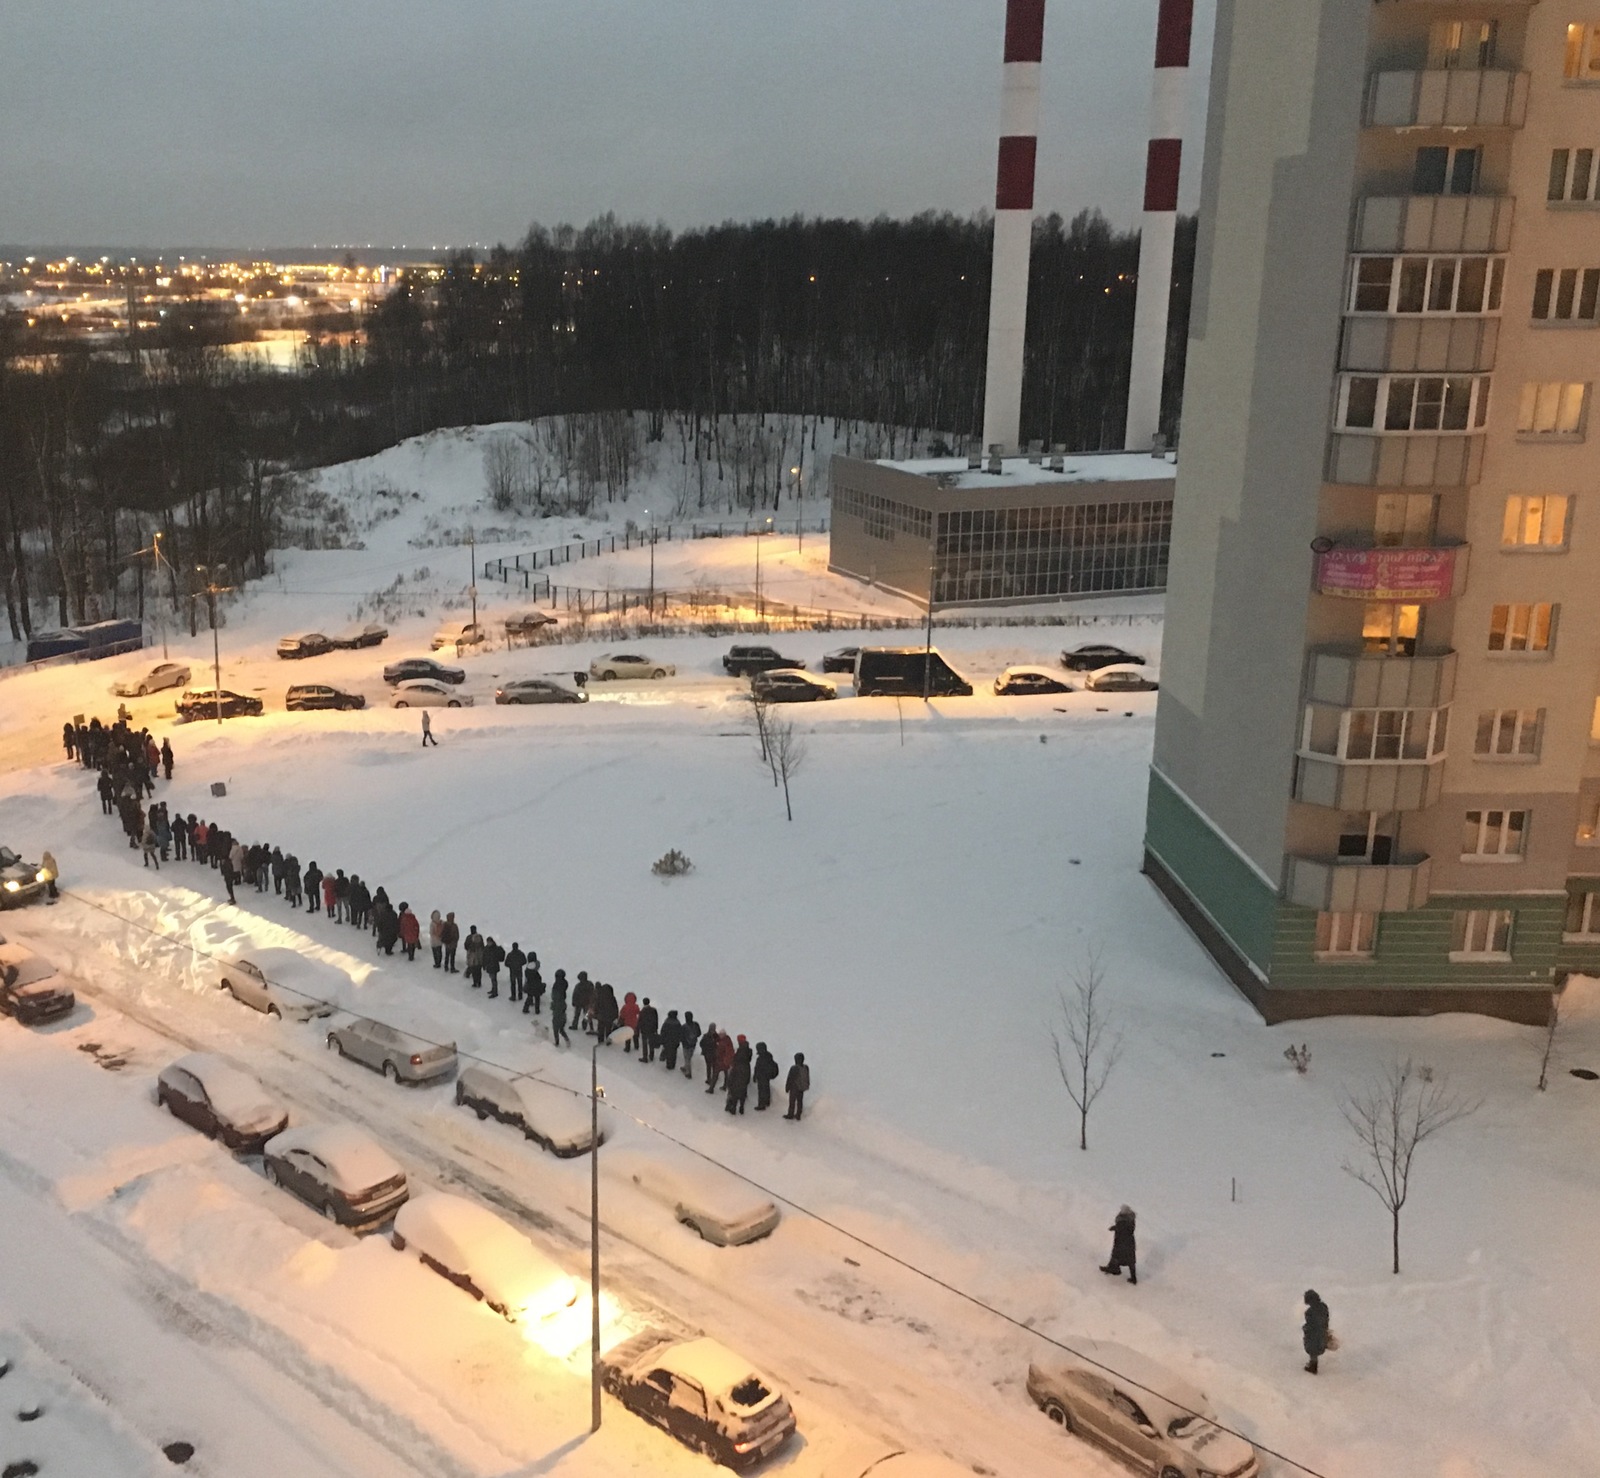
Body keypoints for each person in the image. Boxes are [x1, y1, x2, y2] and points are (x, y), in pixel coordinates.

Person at [1101, 1206, 1137, 1284]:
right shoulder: (1130, 1219)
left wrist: (1115, 1227)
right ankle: (1113, 1268)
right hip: (1125, 1241)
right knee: (1123, 1257)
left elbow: (1124, 1228)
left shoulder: (1127, 1221)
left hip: (1124, 1242)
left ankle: (1131, 1277)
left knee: (1121, 1256)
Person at [1303, 1290, 1331, 1375]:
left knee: (1312, 1348)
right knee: (1316, 1347)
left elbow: (1311, 1323)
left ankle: (1313, 1366)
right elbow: (1326, 1319)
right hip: (1322, 1331)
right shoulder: (1323, 1307)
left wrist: (1306, 1329)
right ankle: (1313, 1364)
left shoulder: (1310, 1311)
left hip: (1314, 1333)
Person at [725, 1038, 752, 1115]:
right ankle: (741, 1107)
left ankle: (732, 1108)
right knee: (742, 1093)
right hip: (744, 1079)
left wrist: (729, 1082)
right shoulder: (747, 1061)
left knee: (734, 1093)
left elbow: (732, 1074)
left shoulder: (737, 1063)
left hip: (736, 1079)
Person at [783, 1052, 810, 1121]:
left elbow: (790, 1078)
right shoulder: (806, 1067)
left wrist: (787, 1087)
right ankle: (798, 1114)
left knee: (792, 1101)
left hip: (794, 1087)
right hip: (802, 1087)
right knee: (800, 1101)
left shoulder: (794, 1068)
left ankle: (790, 1114)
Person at [753, 1042, 778, 1111]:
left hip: (762, 1076)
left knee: (761, 1090)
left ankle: (761, 1105)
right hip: (767, 1076)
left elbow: (757, 1068)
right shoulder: (769, 1056)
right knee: (766, 1088)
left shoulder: (761, 1058)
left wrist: (755, 1076)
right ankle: (767, 1102)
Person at [548, 970, 570, 1046]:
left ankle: (557, 1042)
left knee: (555, 1029)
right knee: (561, 1029)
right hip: (562, 1011)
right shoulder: (564, 984)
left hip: (557, 1012)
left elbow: (555, 998)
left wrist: (553, 1006)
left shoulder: (556, 987)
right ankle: (567, 1040)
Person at [636, 997, 659, 1063]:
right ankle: (651, 1055)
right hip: (652, 1029)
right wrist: (656, 1028)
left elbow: (640, 1021)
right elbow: (656, 1020)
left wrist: (638, 1029)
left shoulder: (642, 1011)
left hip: (644, 1030)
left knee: (645, 1044)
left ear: (643, 1003)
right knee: (651, 1042)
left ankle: (645, 1057)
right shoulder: (654, 1010)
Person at [700, 1022, 721, 1093]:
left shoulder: (706, 1036)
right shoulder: (717, 1036)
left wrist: (704, 1049)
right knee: (713, 1067)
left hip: (707, 1054)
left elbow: (701, 1043)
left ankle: (709, 1079)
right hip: (714, 1055)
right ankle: (712, 1079)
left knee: (708, 1067)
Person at [678, 1012, 699, 1078]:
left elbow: (681, 1036)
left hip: (686, 1045)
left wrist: (682, 1041)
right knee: (689, 1057)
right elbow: (699, 1033)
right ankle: (685, 1067)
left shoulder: (684, 1027)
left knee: (687, 1058)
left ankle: (688, 1073)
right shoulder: (696, 1024)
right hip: (693, 1044)